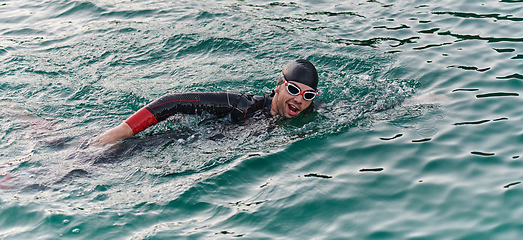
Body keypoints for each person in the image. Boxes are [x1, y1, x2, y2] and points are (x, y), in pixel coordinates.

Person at [94, 59, 320, 145]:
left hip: (214, 147)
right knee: (112, 154)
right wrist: (123, 130)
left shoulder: (308, 113)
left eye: (308, 95)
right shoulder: (240, 105)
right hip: (189, 137)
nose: (299, 100)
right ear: (279, 85)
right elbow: (175, 102)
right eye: (293, 89)